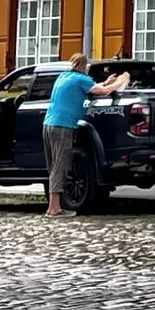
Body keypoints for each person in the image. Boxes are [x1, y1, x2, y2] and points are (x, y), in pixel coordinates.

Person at [43, 54, 128, 216]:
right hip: (63, 125)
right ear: (83, 66)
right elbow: (102, 92)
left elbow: (91, 86)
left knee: (53, 166)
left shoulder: (64, 76)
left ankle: (54, 206)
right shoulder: (80, 79)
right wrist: (119, 82)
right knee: (60, 166)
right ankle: (54, 209)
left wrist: (106, 81)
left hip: (48, 124)